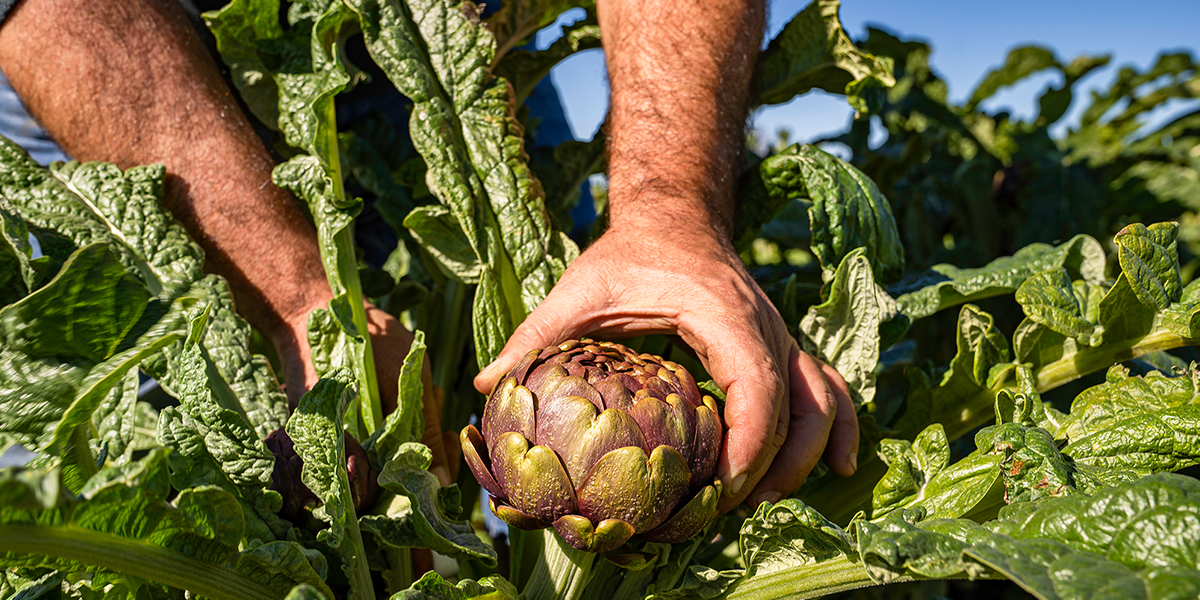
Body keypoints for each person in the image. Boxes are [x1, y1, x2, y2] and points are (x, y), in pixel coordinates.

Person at [0, 0, 857, 512]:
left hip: (462, 46)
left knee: (597, 303)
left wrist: (672, 213)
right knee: (190, 455)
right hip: (128, 66)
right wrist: (299, 301)